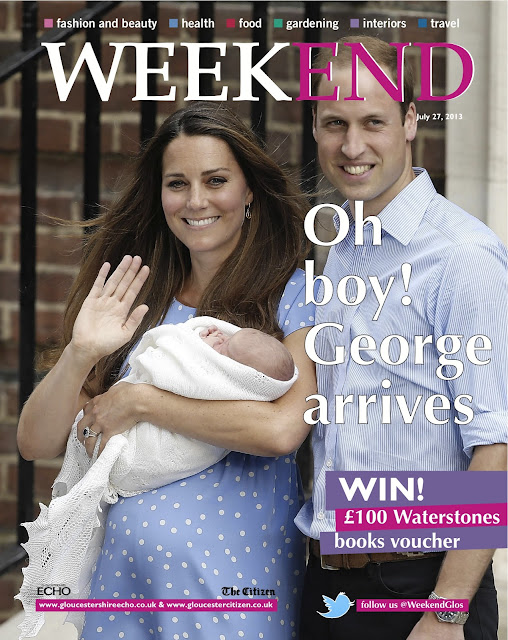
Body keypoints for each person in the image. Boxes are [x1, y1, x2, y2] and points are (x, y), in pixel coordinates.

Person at [17, 102, 317, 640]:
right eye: (177, 183)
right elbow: (35, 441)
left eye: (216, 180)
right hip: (121, 592)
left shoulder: (295, 296)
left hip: (233, 589)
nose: (196, 200)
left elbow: (280, 431)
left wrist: (142, 402)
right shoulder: (139, 296)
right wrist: (81, 353)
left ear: (250, 191)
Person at [296, 36, 507, 640]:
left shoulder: (461, 254)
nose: (352, 146)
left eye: (373, 122)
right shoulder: (341, 247)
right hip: (331, 587)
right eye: (335, 123)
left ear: (411, 121)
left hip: (420, 590)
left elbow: (496, 446)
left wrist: (446, 613)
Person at [199, 323, 295, 381]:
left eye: (224, 345)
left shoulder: (223, 383)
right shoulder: (236, 348)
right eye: (230, 337)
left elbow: (198, 353)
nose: (221, 337)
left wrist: (202, 339)